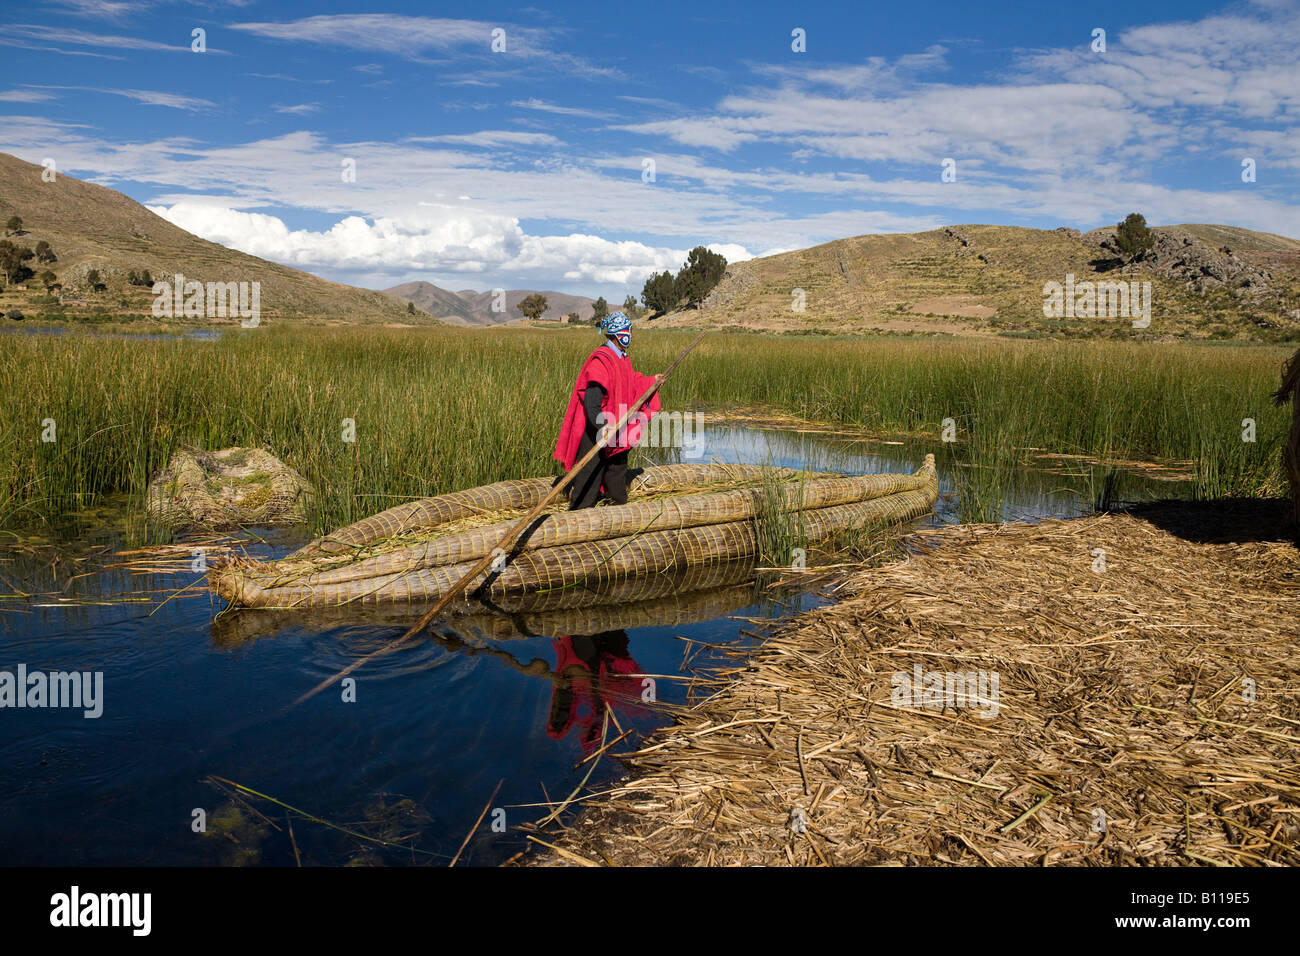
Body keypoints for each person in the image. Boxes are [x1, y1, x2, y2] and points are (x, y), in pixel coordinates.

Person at [553, 312, 662, 510]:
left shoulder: (621, 357)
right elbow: (591, 402)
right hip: (596, 430)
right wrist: (602, 427)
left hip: (616, 427)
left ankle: (618, 516)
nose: (632, 335)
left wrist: (651, 382)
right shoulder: (602, 360)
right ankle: (578, 523)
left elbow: (629, 383)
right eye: (630, 331)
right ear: (620, 334)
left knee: (617, 476)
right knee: (589, 480)